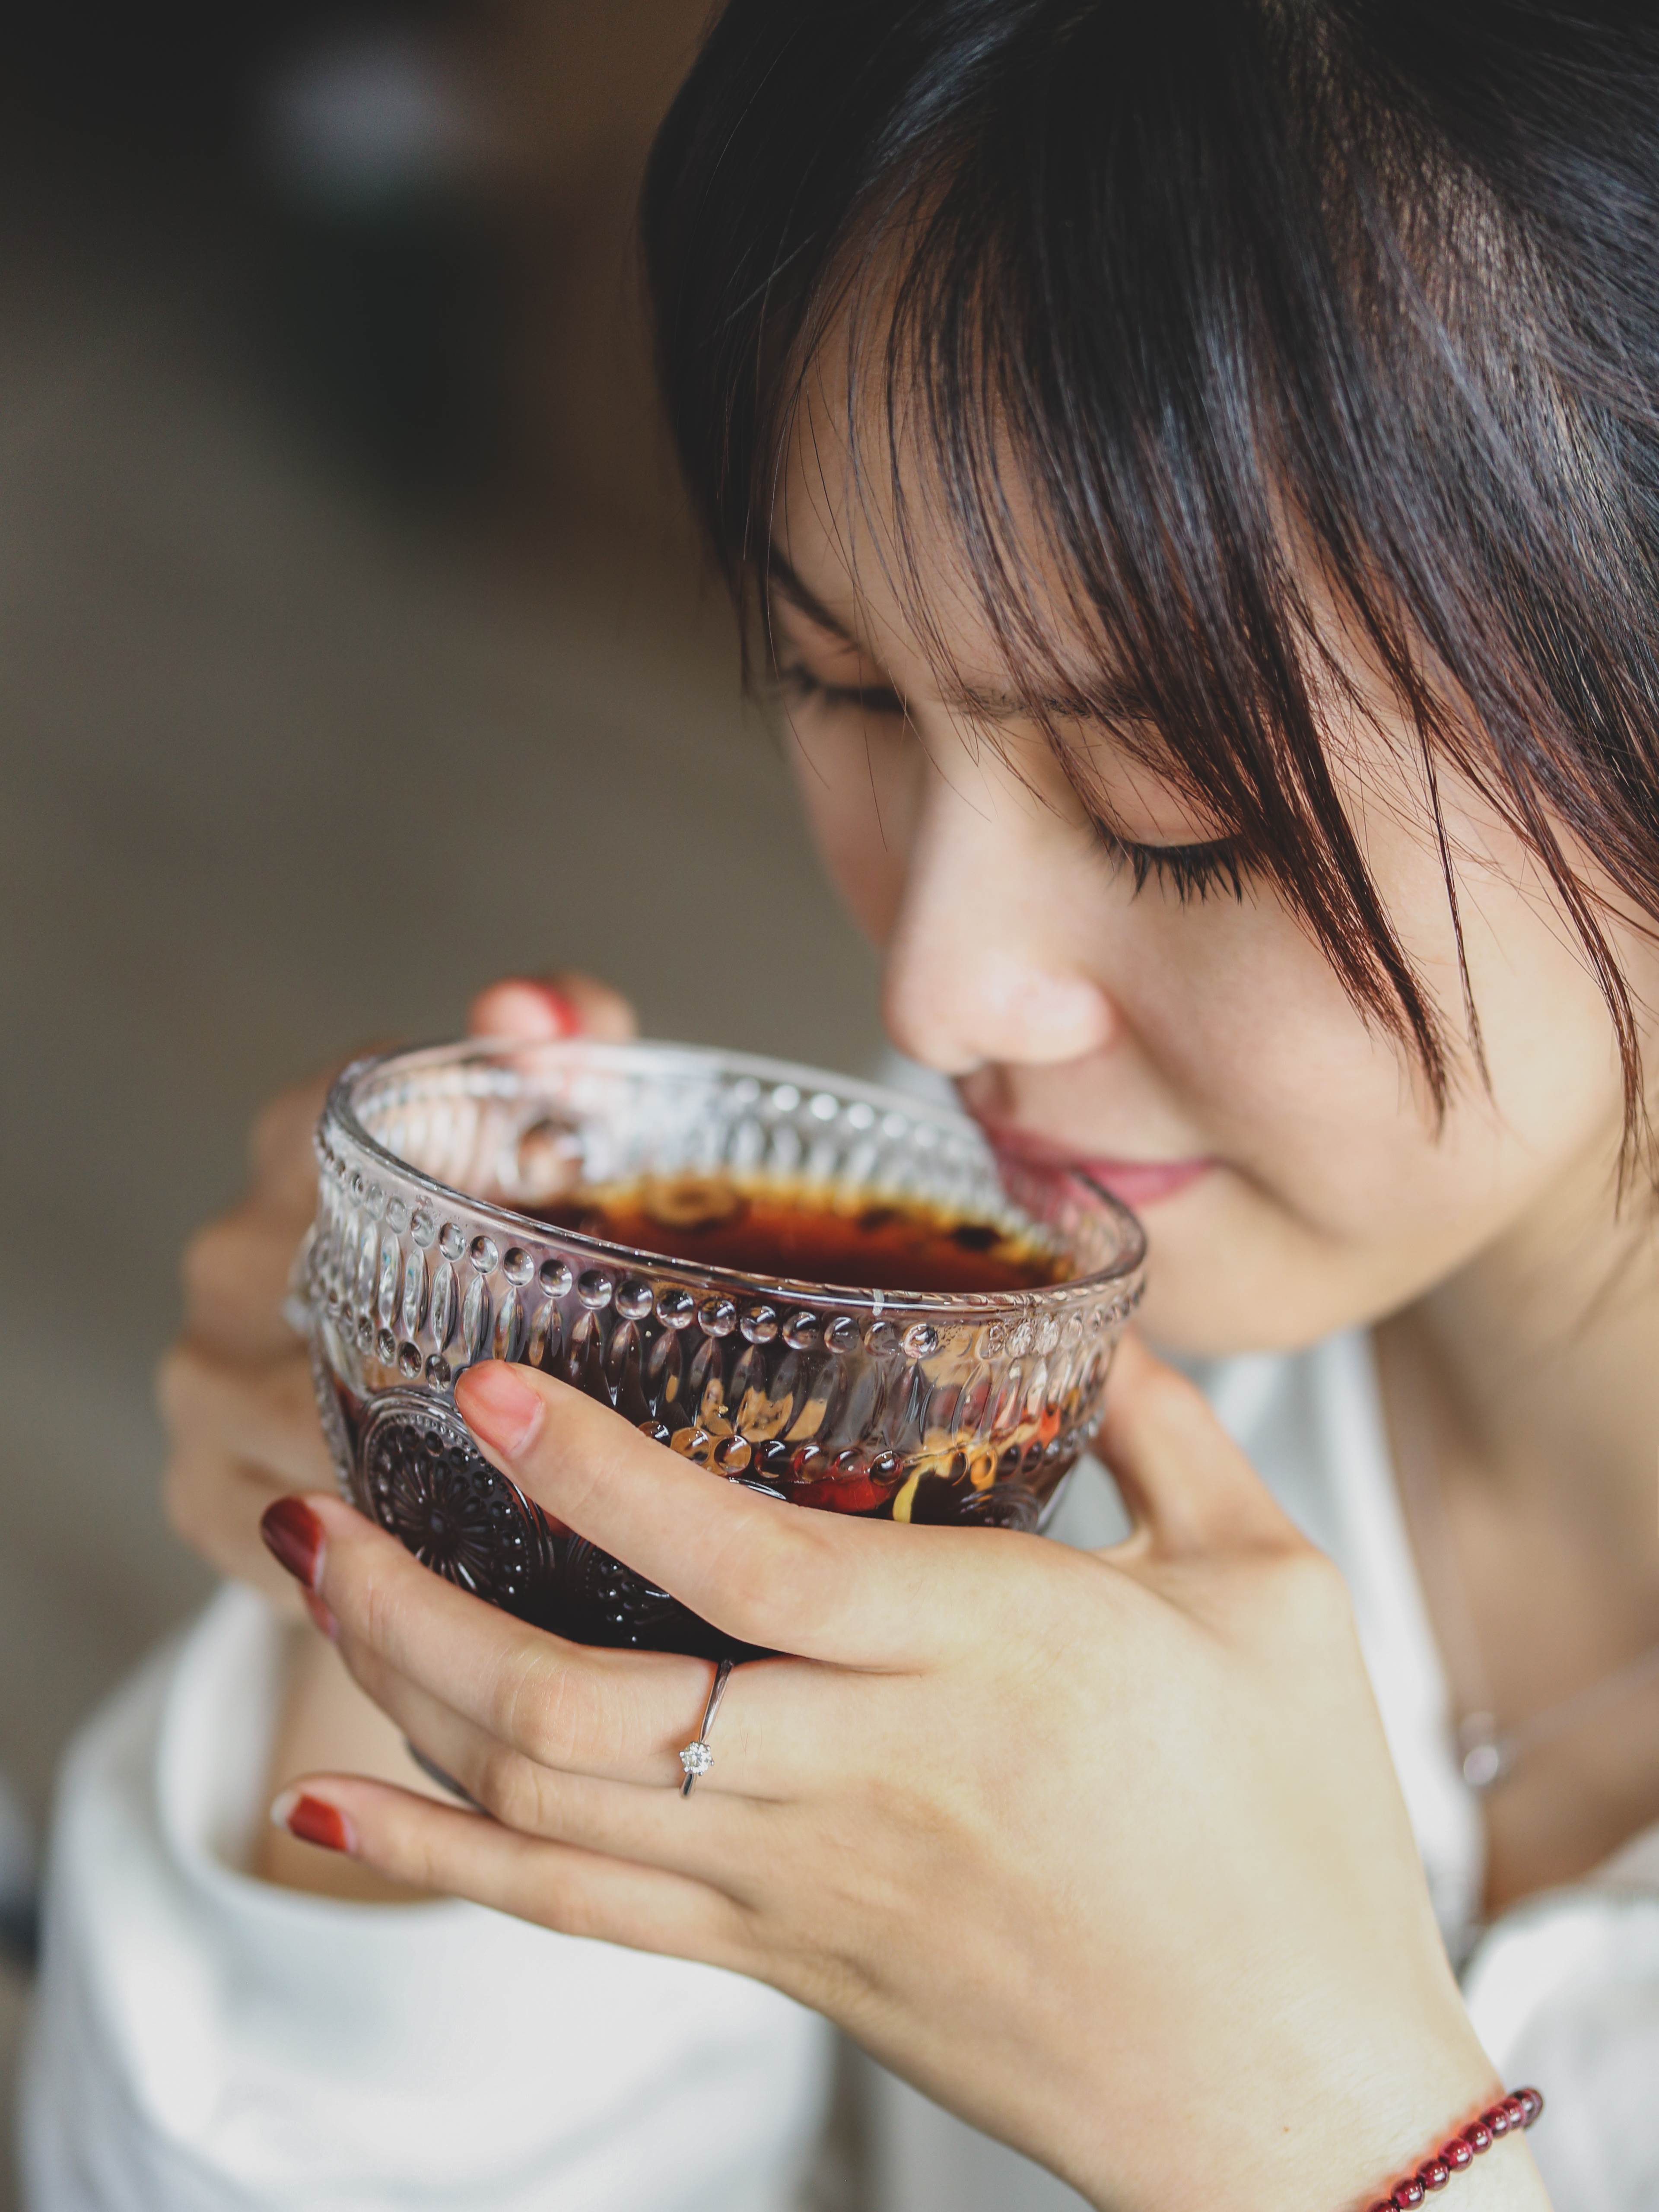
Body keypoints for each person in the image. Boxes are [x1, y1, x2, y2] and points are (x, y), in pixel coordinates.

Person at [25, 2, 1659, 2207]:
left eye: (1183, 818)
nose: (942, 993)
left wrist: (1314, 2139)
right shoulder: (988, 1322)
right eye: (841, 682)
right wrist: (458, 1620)